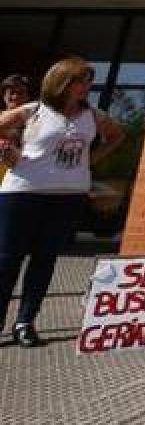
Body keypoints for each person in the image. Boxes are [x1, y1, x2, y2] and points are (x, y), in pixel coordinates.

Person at [0, 57, 124, 346]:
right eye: (82, 80)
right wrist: (7, 150)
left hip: (68, 196)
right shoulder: (34, 111)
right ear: (63, 82)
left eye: (89, 81)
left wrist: (89, 162)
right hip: (24, 192)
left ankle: (25, 322)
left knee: (45, 260)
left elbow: (118, 135)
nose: (87, 87)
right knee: (7, 260)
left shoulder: (91, 115)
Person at [0, 74, 34, 180]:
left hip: (28, 177)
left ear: (28, 96)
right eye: (11, 93)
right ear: (3, 96)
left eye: (20, 93)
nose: (15, 97)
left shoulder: (36, 120)